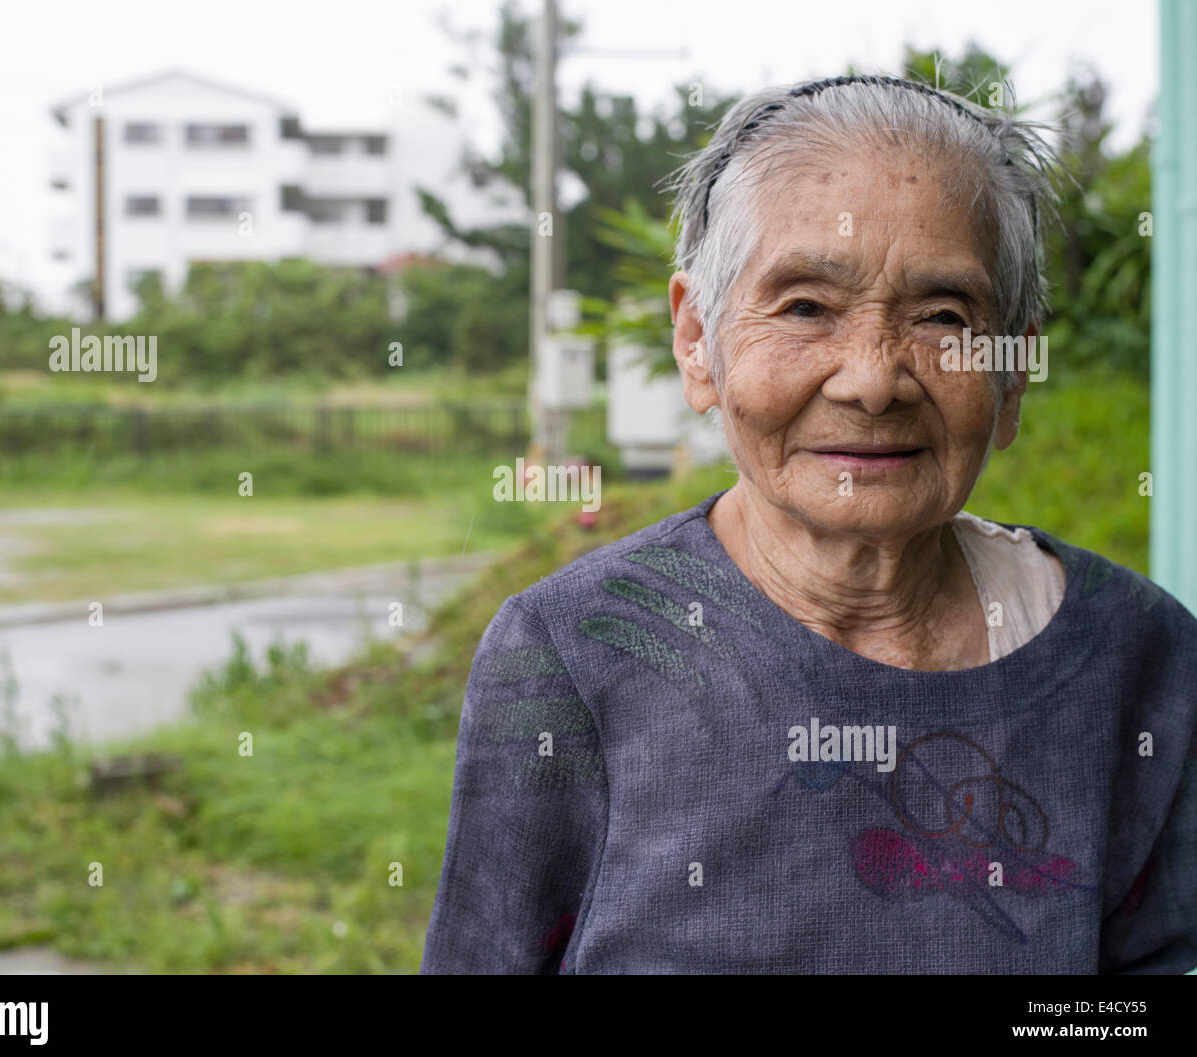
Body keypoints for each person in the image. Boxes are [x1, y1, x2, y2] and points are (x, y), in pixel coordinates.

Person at [421, 75, 1197, 974]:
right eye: (805, 308)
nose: (873, 379)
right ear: (696, 341)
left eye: (943, 317)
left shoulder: (1142, 661)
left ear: (1012, 372)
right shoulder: (574, 655)